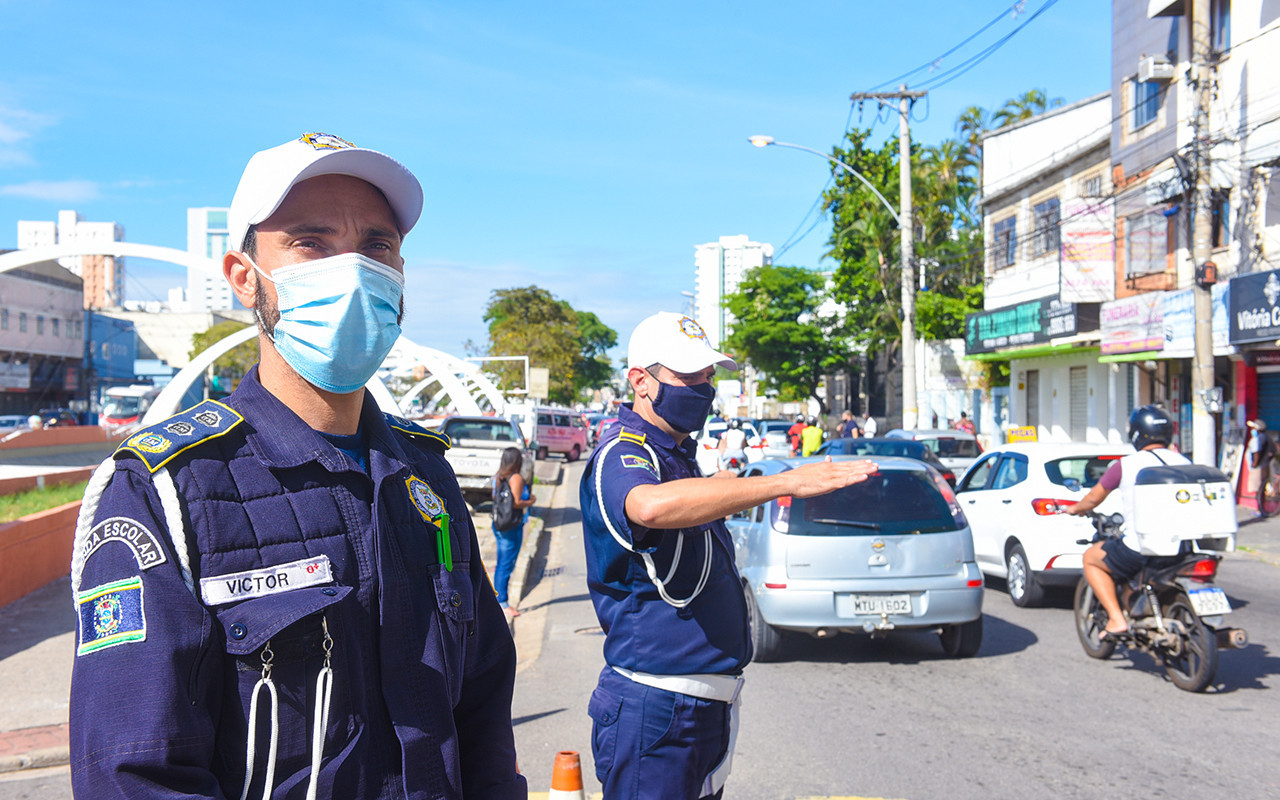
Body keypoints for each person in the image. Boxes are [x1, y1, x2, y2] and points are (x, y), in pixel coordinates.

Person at [68, 133, 525, 799]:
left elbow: (481, 701)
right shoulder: (164, 490)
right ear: (243, 276)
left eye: (376, 246)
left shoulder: (424, 474)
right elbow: (135, 774)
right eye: (311, 243)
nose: (354, 269)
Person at [580, 311, 877, 800]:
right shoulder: (625, 452)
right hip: (657, 709)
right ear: (641, 381)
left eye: (709, 375)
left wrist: (721, 485)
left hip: (703, 708)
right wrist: (781, 484)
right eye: (688, 375)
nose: (704, 386)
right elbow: (648, 505)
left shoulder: (677, 454)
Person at [1067, 405, 1190, 638]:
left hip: (1142, 546)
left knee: (1091, 558)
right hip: (1183, 545)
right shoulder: (1184, 462)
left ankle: (1116, 618)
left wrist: (1074, 508)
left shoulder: (1126, 465)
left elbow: (1094, 498)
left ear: (1136, 433)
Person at [491, 447, 537, 617]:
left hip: (499, 524)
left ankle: (497, 598)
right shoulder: (516, 478)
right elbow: (516, 502)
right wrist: (531, 501)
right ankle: (502, 602)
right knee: (506, 564)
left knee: (501, 562)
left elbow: (494, 496)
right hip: (511, 526)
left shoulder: (499, 475)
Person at [1248, 418, 1275, 517]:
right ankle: (1261, 509)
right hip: (1264, 465)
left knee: (1258, 489)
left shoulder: (1259, 438)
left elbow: (1256, 452)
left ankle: (1259, 510)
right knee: (1261, 489)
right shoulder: (1266, 437)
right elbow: (1273, 451)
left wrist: (1255, 463)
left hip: (1259, 467)